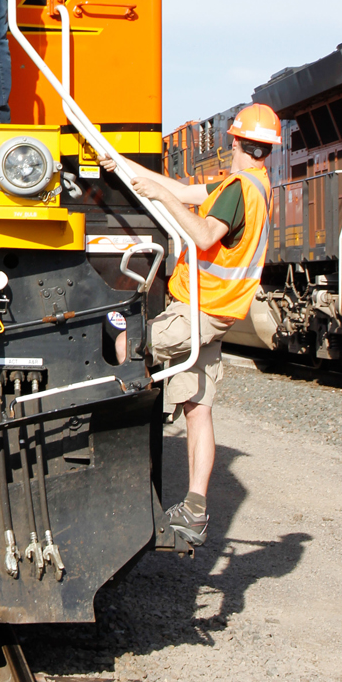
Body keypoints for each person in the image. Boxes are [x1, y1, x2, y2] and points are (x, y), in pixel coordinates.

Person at [100, 102, 280, 545]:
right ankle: (195, 510)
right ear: (268, 150)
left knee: (129, 344)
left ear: (234, 141)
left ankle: (118, 460)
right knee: (198, 410)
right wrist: (122, 165)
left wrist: (159, 197)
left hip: (199, 311)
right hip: (218, 313)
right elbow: (183, 191)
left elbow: (202, 234)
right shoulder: (254, 185)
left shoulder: (239, 188)